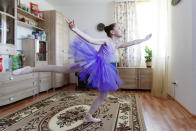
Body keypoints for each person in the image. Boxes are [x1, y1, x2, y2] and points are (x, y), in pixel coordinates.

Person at [13, 18, 152, 123]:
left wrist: (144, 39)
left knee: (103, 95)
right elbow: (90, 39)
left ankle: (88, 116)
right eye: (120, 28)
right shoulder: (107, 41)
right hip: (92, 64)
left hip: (106, 70)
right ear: (112, 32)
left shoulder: (117, 44)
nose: (122, 30)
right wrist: (75, 29)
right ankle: (31, 69)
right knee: (62, 69)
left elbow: (132, 42)